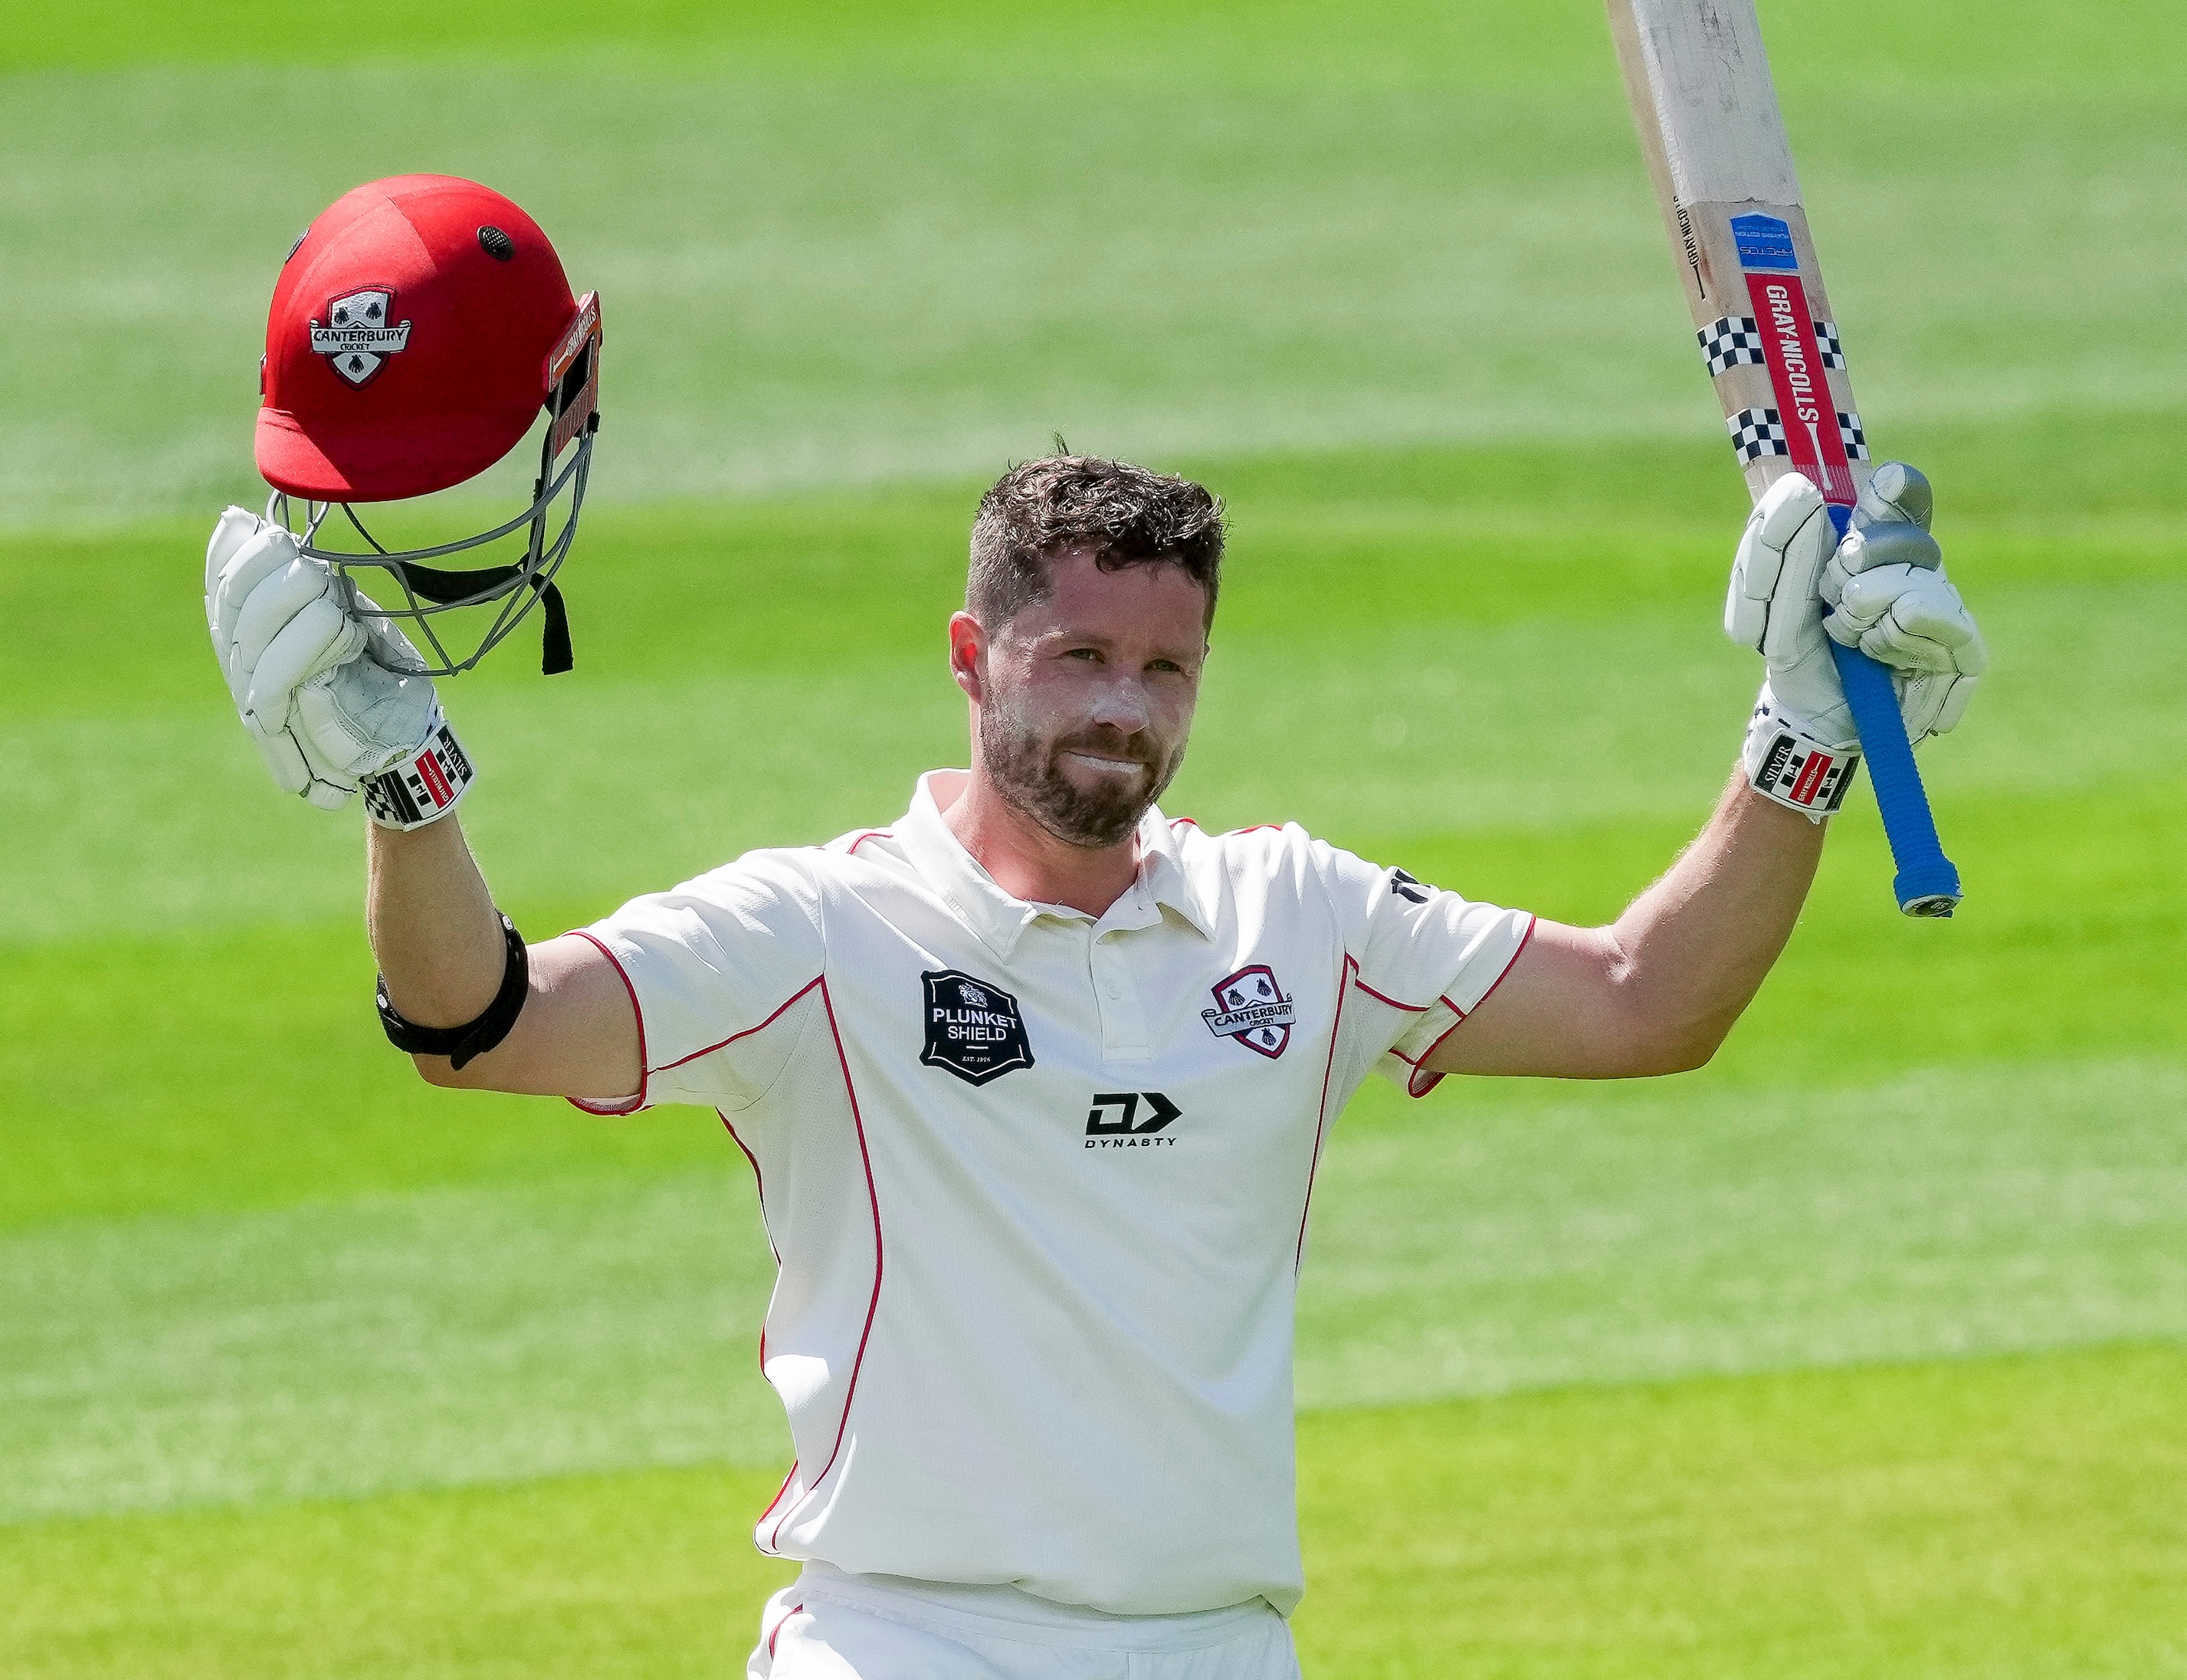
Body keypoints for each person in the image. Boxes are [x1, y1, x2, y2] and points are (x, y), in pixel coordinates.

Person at [205, 450, 1985, 1678]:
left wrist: (1798, 740)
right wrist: (405, 791)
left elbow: (1644, 1000)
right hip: (907, 1644)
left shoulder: (1293, 913)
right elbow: (484, 1023)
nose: (1122, 707)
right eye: (1076, 658)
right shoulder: (815, 928)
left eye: (1162, 666)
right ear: (972, 658)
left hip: (1216, 1646)